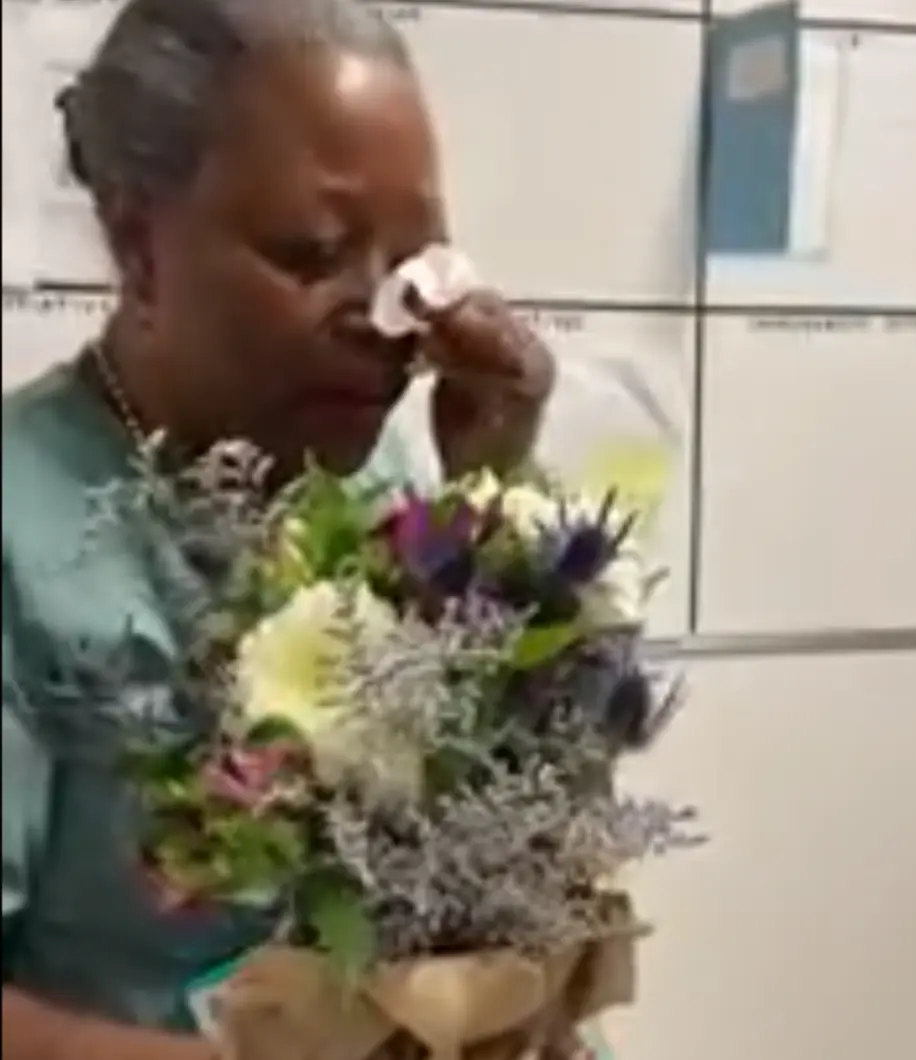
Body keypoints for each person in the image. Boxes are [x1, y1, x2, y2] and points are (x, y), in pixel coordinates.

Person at [1, 0, 559, 1049]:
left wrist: (494, 491)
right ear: (138, 246)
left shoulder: (399, 483)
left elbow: (510, 849)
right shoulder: (22, 527)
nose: (386, 320)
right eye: (313, 253)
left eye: (415, 263)